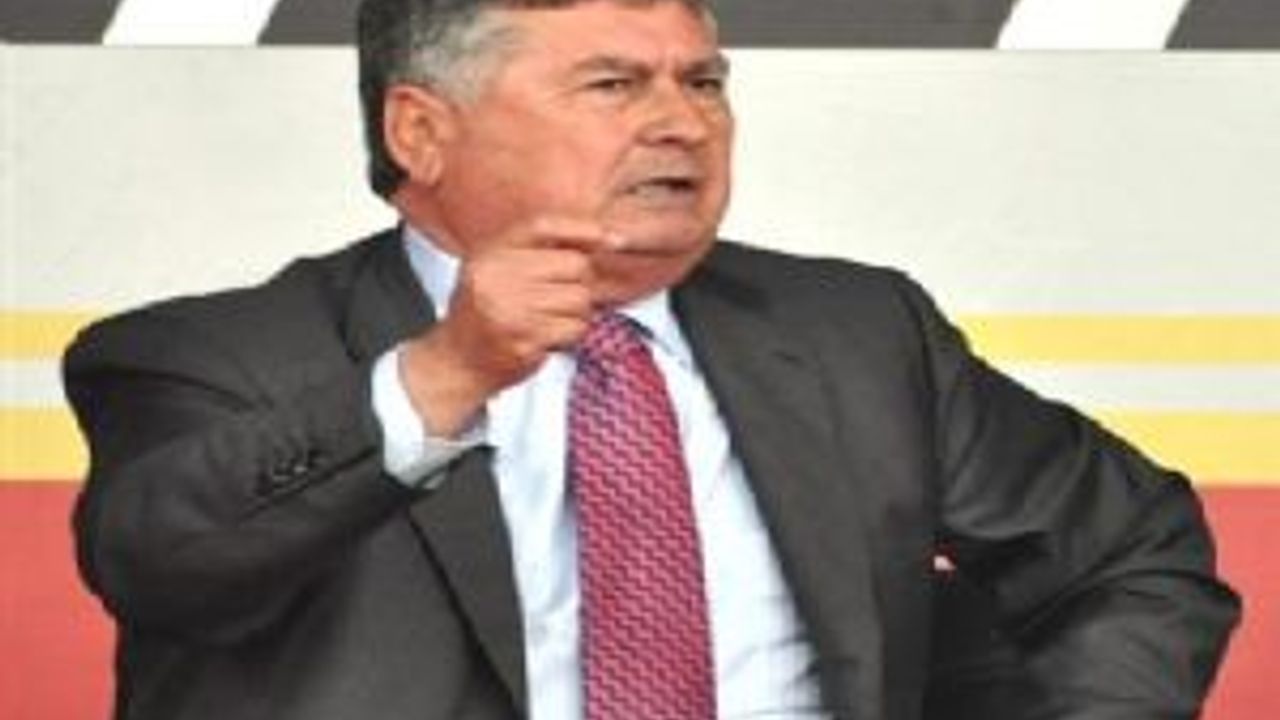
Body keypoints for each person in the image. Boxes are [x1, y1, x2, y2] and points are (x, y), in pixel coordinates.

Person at [63, 1, 1240, 718]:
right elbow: (164, 562)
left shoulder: (852, 331)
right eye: (612, 85)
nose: (682, 122)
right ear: (420, 129)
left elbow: (1127, 552)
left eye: (704, 82)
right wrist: (444, 376)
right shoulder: (209, 355)